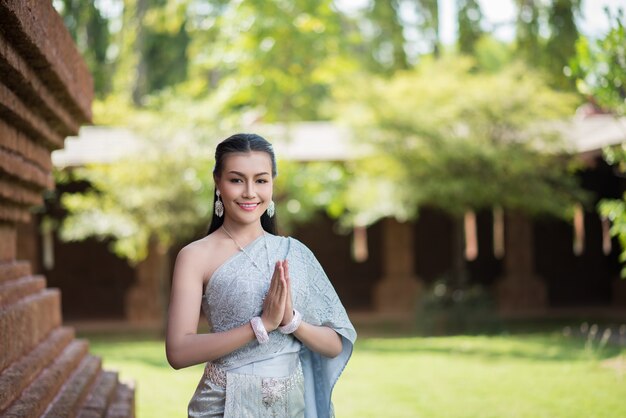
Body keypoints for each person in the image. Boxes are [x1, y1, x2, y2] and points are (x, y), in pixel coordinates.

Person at [166, 133, 356, 418]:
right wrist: (260, 325)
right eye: (236, 180)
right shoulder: (195, 256)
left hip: (290, 408)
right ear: (218, 182)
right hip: (222, 405)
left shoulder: (295, 253)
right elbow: (178, 352)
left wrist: (291, 322)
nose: (250, 192)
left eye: (261, 180)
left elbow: (334, 345)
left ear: (272, 184)